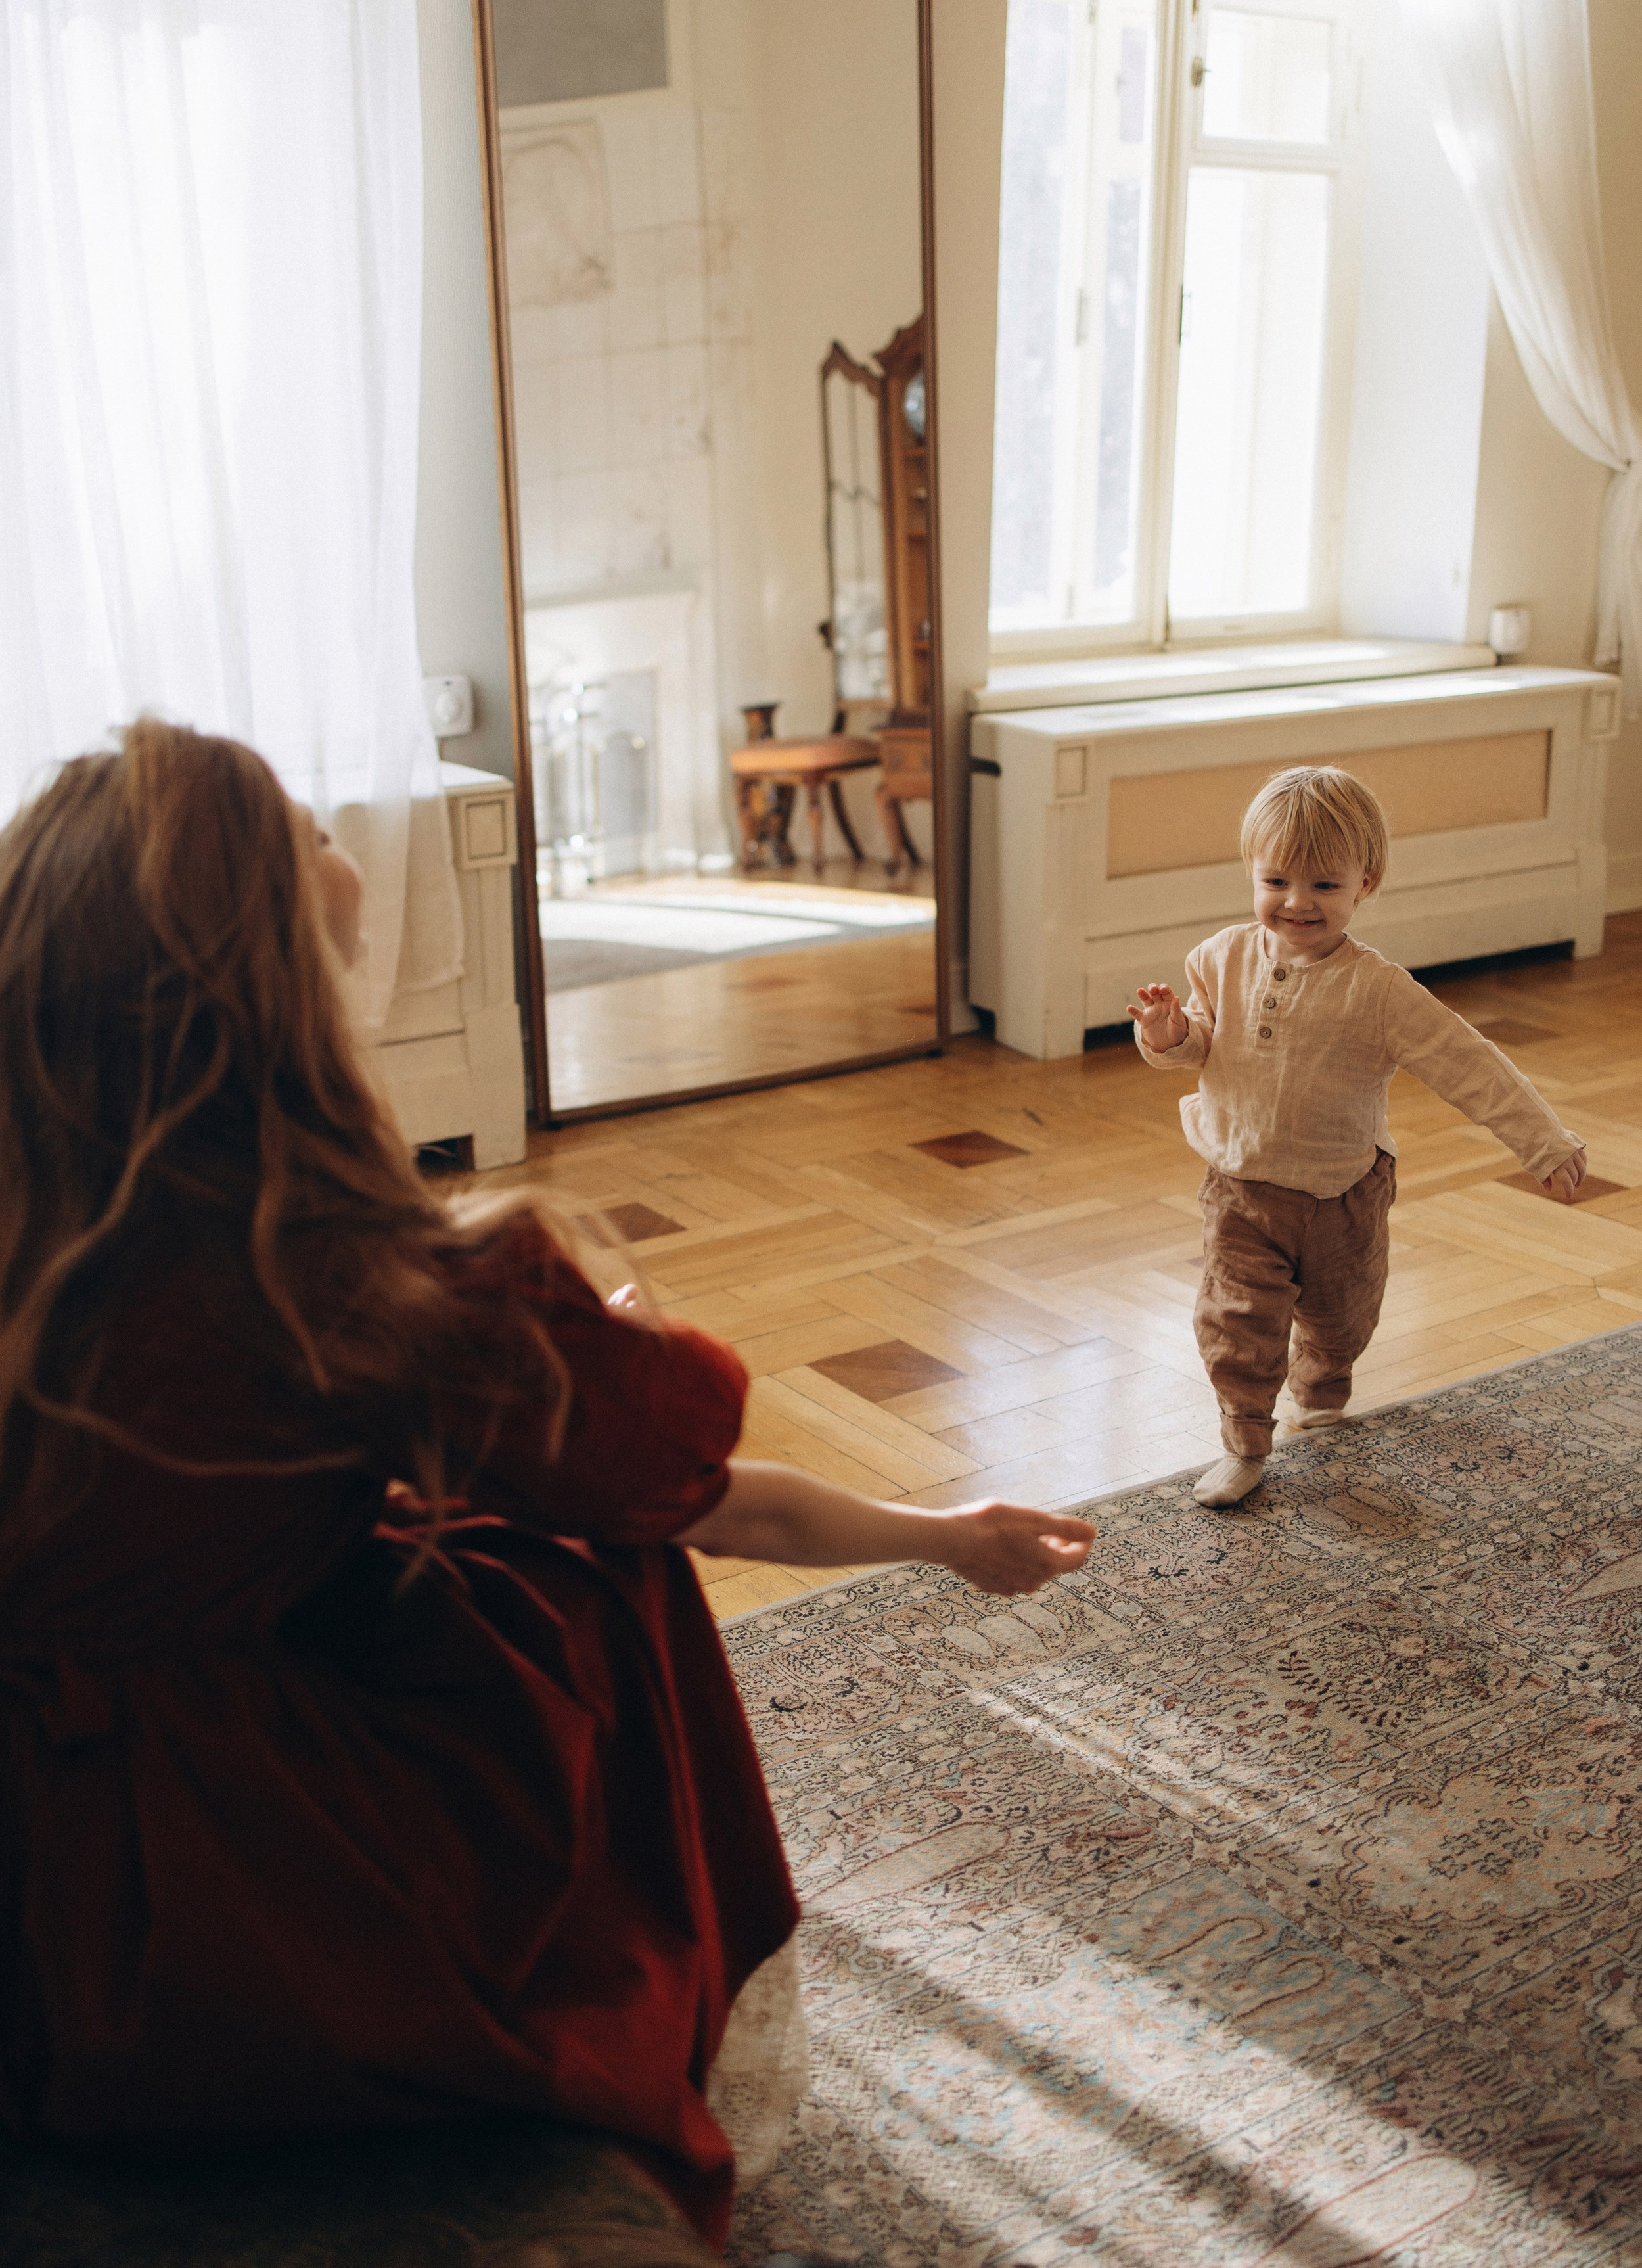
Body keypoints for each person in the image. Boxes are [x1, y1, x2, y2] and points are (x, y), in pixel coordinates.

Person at [0, 720, 1095, 2251]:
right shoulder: (334, 1266)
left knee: (441, 1526)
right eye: (317, 844)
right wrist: (924, 1526)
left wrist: (936, 1533)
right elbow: (688, 1486)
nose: (345, 854)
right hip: (170, 1902)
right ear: (269, 981)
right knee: (572, 1565)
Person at [1132, 765, 1587, 1510]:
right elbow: (1202, 1043)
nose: (1296, 902)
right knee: (1235, 1320)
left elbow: (1465, 1062)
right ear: (1251, 873)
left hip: (1343, 1192)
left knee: (1342, 1319)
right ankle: (1244, 1439)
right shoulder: (1218, 957)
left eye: (1323, 885)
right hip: (1240, 1185)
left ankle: (1322, 1384)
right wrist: (1169, 1032)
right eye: (1275, 879)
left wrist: (1543, 1142)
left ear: (1364, 883)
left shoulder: (1379, 990)